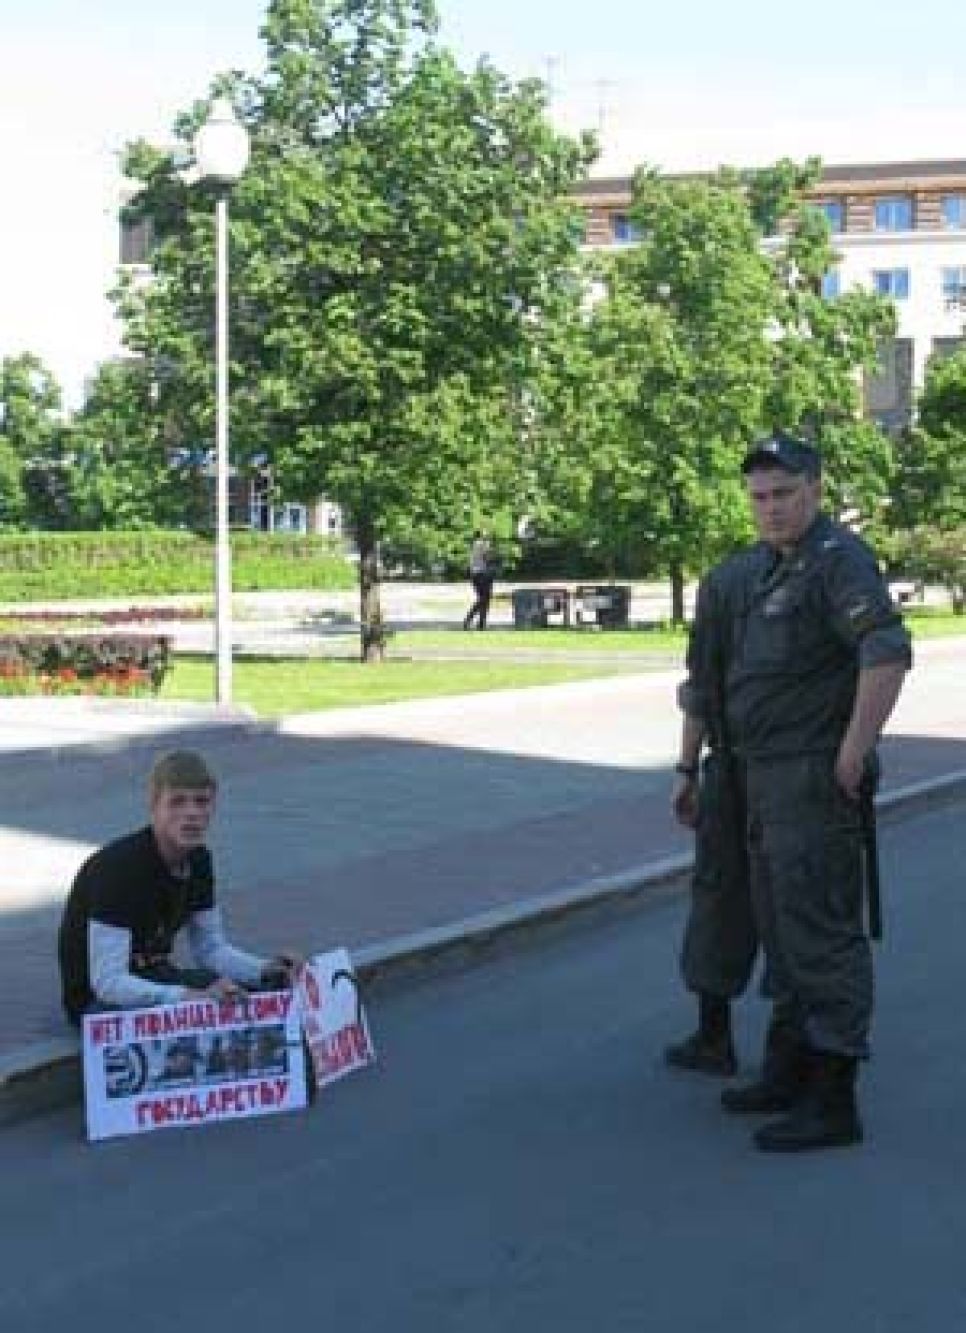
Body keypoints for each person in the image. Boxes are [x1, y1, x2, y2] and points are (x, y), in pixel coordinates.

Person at [710, 432, 911, 1152]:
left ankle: (833, 1098)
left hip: (809, 779)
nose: (770, 508)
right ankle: (790, 1068)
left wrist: (854, 749)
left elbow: (886, 652)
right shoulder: (773, 567)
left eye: (784, 494)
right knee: (782, 929)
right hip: (765, 780)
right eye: (759, 497)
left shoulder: (837, 559)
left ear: (816, 492)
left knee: (822, 934)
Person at [58, 749, 301, 1026]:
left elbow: (210, 949)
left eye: (201, 802)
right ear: (154, 806)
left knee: (248, 993)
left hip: (155, 976)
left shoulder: (199, 860)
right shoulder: (117, 869)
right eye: (177, 802)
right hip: (98, 1002)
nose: (191, 813)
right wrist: (184, 997)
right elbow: (108, 982)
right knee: (216, 1010)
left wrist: (266, 970)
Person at [664, 553, 759, 1077]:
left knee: (729, 896)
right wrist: (686, 768)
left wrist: (687, 769)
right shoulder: (833, 566)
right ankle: (793, 1056)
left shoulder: (724, 580)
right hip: (745, 766)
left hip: (755, 767)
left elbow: (701, 685)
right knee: (729, 896)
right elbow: (702, 685)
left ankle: (717, 1037)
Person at [463, 533, 496, 630]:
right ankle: (469, 619)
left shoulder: (476, 544)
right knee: (484, 599)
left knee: (484, 599)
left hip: (476, 574)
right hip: (482, 574)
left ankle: (481, 623)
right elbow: (488, 558)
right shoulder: (482, 544)